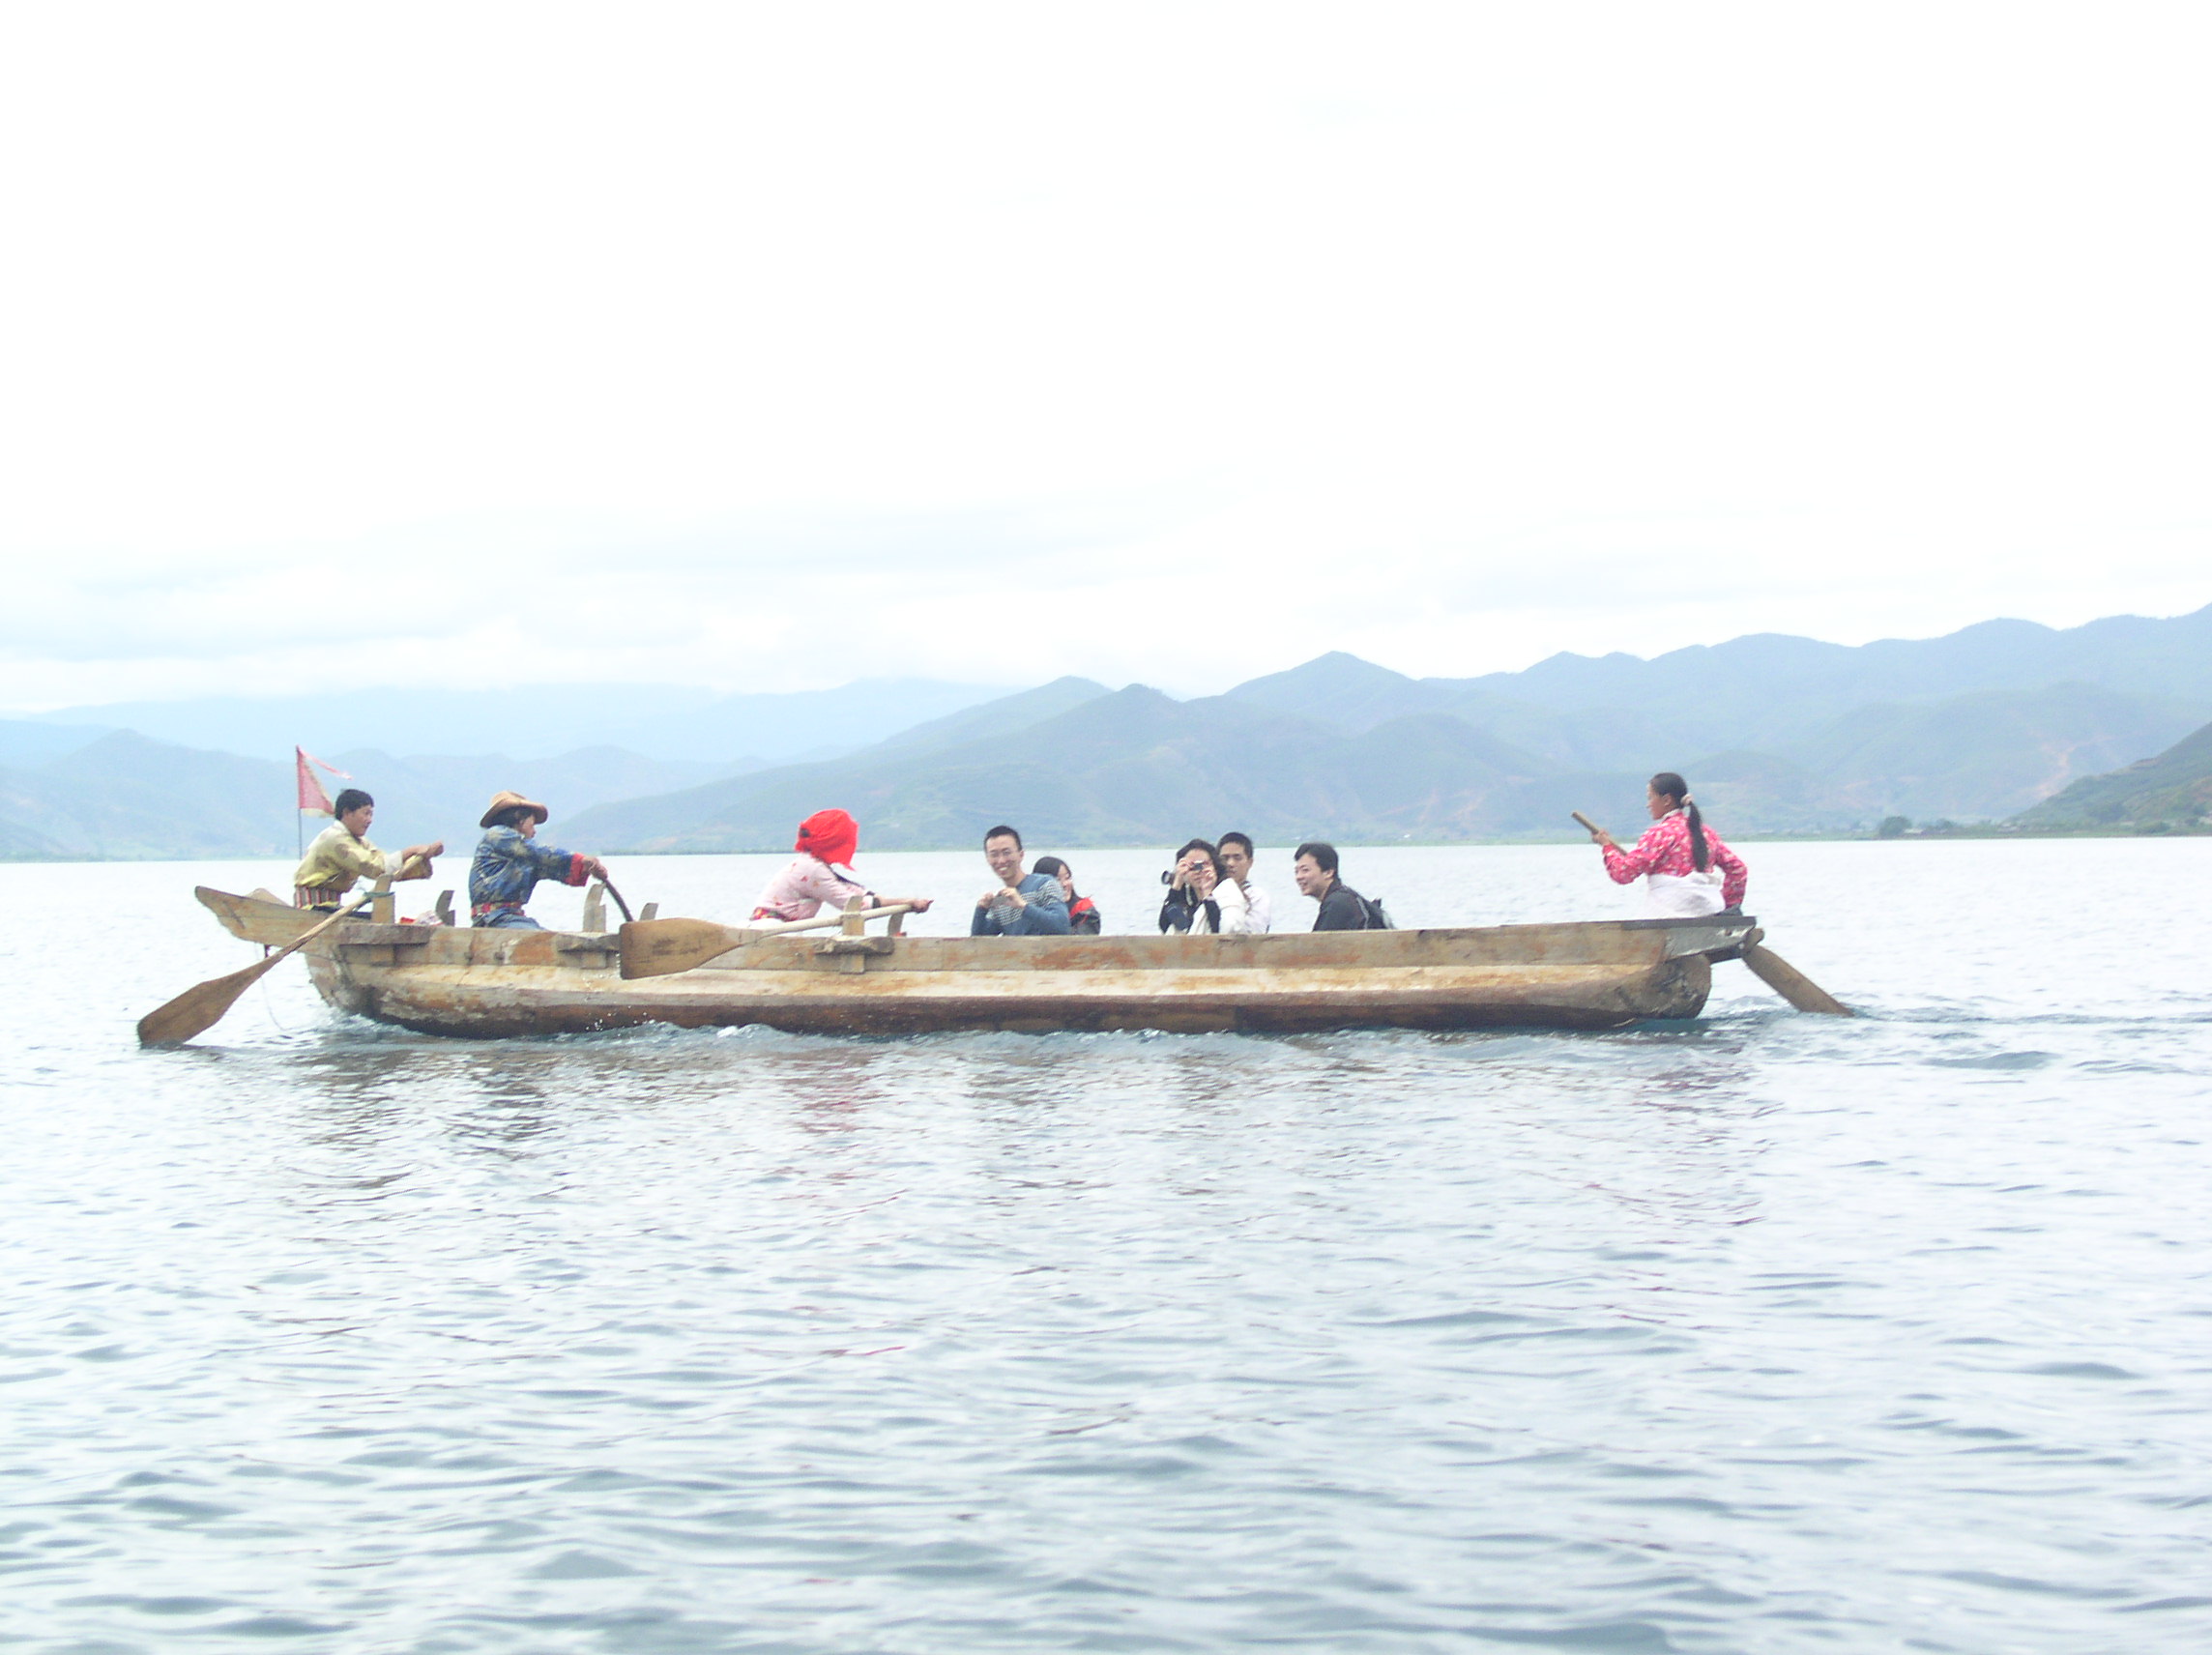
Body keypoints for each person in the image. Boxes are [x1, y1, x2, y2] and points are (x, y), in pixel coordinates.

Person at [1587, 771, 1748, 915]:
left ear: (1666, 800)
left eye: (1650, 797)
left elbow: (1622, 873)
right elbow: (1738, 870)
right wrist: (1728, 907)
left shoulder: (1659, 834)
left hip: (1669, 914)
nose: (1648, 804)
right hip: (1710, 911)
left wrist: (1607, 847)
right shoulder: (1707, 833)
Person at [750, 808, 934, 925]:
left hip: (776, 927)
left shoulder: (813, 865)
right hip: (769, 927)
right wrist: (907, 902)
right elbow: (854, 905)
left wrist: (909, 902)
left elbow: (856, 891)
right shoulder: (812, 870)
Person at [469, 791, 611, 929]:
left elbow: (553, 867)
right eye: (532, 824)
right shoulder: (497, 835)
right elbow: (538, 852)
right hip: (492, 917)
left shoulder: (525, 858)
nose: (534, 831)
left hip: (511, 918)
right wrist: (581, 859)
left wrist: (587, 867)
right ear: (519, 818)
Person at [291, 788, 442, 911]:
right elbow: (376, 869)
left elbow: (386, 864)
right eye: (366, 813)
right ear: (347, 813)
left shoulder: (359, 841)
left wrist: (425, 855)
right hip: (312, 908)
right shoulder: (335, 839)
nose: (370, 820)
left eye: (371, 814)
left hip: (330, 906)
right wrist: (412, 850)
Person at [971, 825, 1072, 936]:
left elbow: (1062, 926)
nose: (1001, 860)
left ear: (1021, 854)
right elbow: (979, 941)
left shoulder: (1045, 884)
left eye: (1006, 853)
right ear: (987, 859)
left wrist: (1023, 906)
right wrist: (981, 909)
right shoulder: (1001, 900)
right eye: (994, 855)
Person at [1293, 841, 1375, 931]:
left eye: (1305, 870)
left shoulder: (1338, 904)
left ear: (1328, 872)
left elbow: (1320, 943)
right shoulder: (1346, 896)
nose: (1299, 877)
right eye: (1296, 871)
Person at [1158, 838, 1224, 934]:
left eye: (1204, 864)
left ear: (1215, 866)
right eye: (1191, 866)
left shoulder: (1225, 894)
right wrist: (1177, 883)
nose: (1198, 871)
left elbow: (1218, 929)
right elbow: (1164, 925)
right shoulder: (1186, 899)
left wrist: (1207, 893)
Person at [1214, 831, 1272, 934]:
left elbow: (1254, 933)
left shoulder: (1256, 896)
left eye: (1237, 858)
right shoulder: (1211, 893)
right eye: (1225, 858)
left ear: (1250, 862)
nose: (1230, 863)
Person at [1032, 857, 1100, 934]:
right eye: (1057, 880)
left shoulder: (1085, 912)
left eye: (1067, 878)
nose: (1064, 884)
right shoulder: (1029, 912)